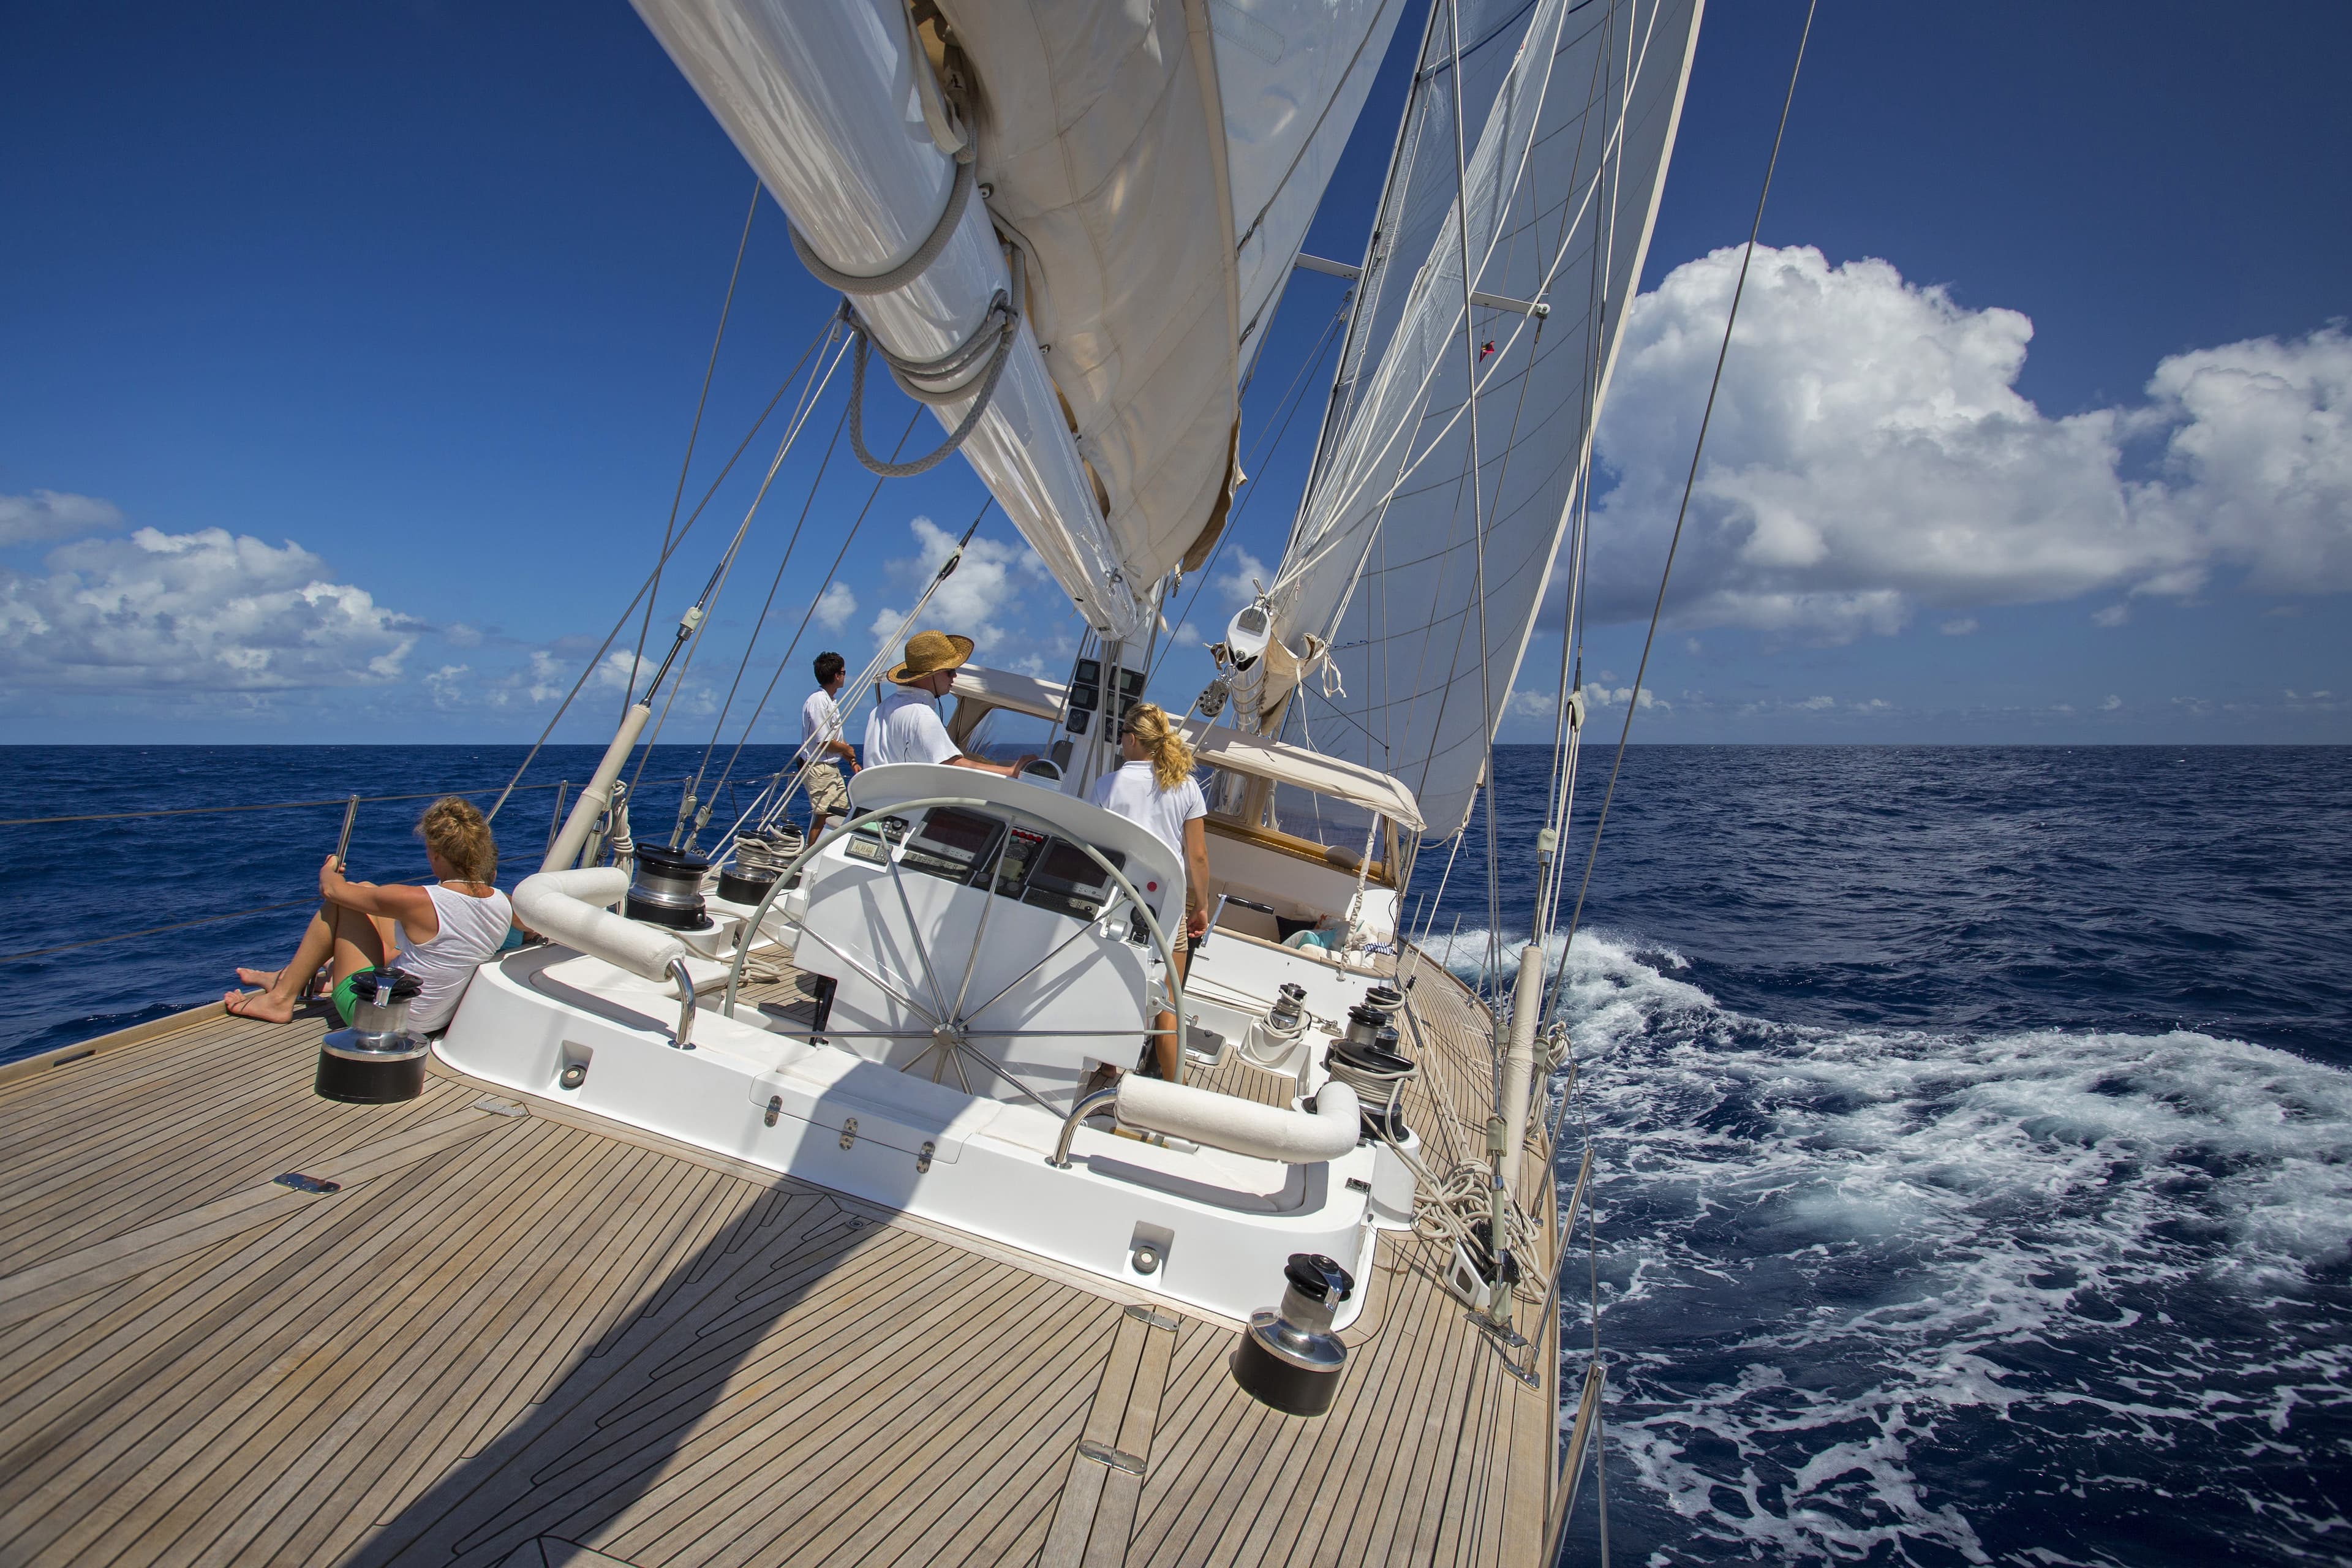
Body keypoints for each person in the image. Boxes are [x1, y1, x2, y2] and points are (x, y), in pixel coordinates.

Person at [224, 796, 514, 1033]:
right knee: (364, 891)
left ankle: (279, 999)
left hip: (384, 1017)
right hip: (433, 1018)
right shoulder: (504, 903)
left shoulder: (419, 900)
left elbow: (332, 891)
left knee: (345, 901)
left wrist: (329, 868)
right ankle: (288, 978)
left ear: (437, 854)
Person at [1088, 702, 1212, 1081]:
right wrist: (1201, 907)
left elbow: (1094, 849)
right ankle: (1174, 1095)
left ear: (1130, 739)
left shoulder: (1107, 786)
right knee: (1168, 1008)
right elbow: (1198, 857)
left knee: (1112, 987)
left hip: (1116, 906)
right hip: (1168, 910)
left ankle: (1107, 1068)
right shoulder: (1186, 786)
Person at [864, 628, 1036, 775]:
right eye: (950, 671)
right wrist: (1010, 771)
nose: (955, 676)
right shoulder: (921, 715)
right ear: (931, 674)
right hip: (905, 810)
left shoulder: (880, 709)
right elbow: (950, 765)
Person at [799, 650, 859, 833]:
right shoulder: (818, 701)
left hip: (829, 767)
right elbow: (824, 741)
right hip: (818, 767)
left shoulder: (829, 701)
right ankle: (809, 859)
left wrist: (852, 761)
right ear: (837, 675)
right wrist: (848, 750)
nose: (844, 676)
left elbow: (836, 738)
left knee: (840, 815)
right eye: (844, 672)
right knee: (824, 817)